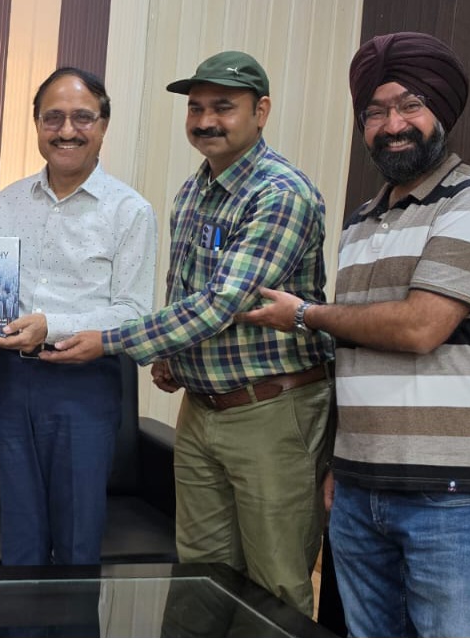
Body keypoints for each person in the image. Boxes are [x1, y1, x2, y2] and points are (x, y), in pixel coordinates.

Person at [238, 32, 470, 637]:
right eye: (374, 112)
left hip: (454, 492)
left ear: (441, 111)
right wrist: (339, 462)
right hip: (360, 486)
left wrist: (306, 313)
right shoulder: (361, 222)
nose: (393, 125)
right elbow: (356, 355)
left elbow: (421, 327)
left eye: (409, 106)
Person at [43, 51, 333, 616]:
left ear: (261, 112)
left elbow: (224, 301)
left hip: (271, 410)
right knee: (200, 574)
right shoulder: (194, 190)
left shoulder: (279, 194)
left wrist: (110, 341)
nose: (206, 120)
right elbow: (186, 291)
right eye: (196, 108)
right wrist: (172, 357)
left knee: (274, 583)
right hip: (202, 409)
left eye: (223, 107)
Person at [0, 67, 158, 565]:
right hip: (8, 381)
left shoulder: (130, 210)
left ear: (103, 125)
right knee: (19, 537)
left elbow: (133, 312)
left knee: (78, 541)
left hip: (84, 383)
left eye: (82, 117)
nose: (66, 131)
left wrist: (50, 325)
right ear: (36, 124)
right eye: (52, 118)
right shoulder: (8, 200)